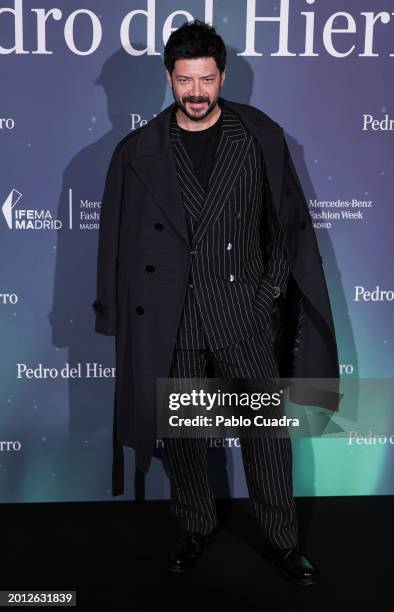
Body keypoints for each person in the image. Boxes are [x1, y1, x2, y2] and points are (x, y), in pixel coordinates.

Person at [92, 19, 340, 587]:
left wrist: (268, 297)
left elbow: (289, 231)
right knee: (183, 437)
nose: (197, 93)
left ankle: (283, 542)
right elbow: (114, 241)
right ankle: (196, 526)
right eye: (186, 81)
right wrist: (111, 311)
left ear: (222, 75)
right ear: (169, 78)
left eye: (207, 79)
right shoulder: (137, 152)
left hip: (242, 316)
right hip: (172, 320)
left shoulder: (259, 137)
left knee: (267, 438)